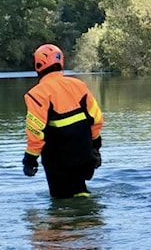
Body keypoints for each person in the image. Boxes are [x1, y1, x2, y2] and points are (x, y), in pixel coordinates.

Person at [22, 43, 104, 199]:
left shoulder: (36, 94)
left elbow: (35, 132)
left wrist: (30, 160)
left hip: (59, 160)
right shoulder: (79, 86)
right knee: (80, 191)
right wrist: (95, 148)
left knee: (61, 204)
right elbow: (97, 119)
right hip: (84, 156)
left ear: (38, 64)